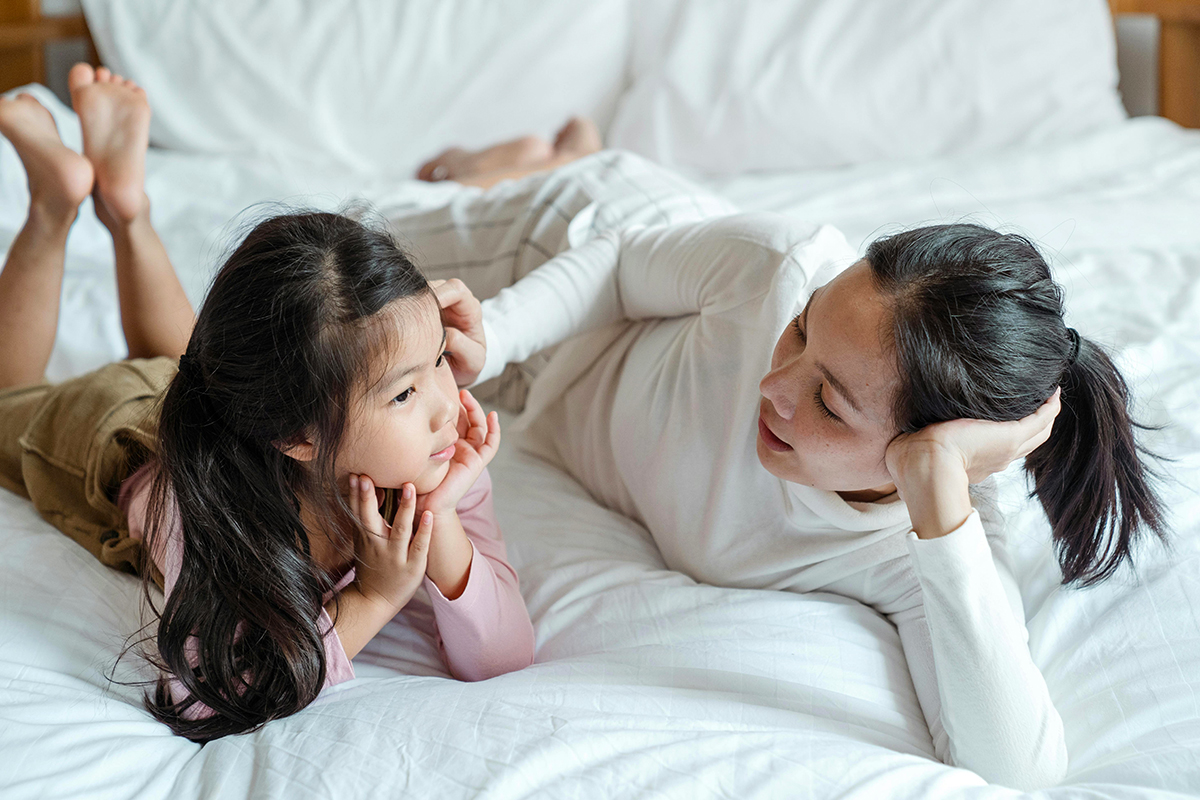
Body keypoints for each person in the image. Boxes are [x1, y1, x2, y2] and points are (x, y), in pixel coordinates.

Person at [383, 146, 1165, 790]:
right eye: (800, 330)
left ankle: (552, 148)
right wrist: (494, 337)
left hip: (545, 401)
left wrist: (936, 485)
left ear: (920, 453)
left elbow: (1018, 770)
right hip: (557, 255)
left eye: (827, 402)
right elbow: (620, 263)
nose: (774, 386)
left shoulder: (919, 544)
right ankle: (554, 158)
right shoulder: (774, 266)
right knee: (354, 250)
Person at [0, 66, 535, 743]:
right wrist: (372, 598)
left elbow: (504, 656)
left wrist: (441, 515)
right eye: (404, 392)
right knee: (9, 400)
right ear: (297, 436)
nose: (445, 406)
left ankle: (126, 205)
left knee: (184, 361)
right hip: (112, 435)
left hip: (210, 399)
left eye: (439, 360)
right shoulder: (210, 511)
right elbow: (205, 698)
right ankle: (54, 204)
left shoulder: (433, 451)